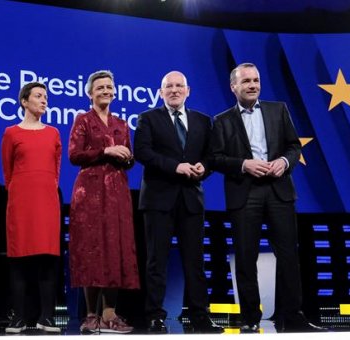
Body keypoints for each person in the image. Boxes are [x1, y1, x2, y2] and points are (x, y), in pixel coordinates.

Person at [209, 63, 325, 333]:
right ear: (233, 87)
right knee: (246, 257)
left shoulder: (278, 109)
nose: (252, 85)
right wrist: (243, 164)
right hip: (244, 191)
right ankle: (250, 318)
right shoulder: (222, 120)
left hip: (278, 190)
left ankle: (292, 317)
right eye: (246, 81)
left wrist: (284, 161)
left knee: (287, 256)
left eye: (256, 80)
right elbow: (215, 158)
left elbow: (294, 146)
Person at [134, 71, 223, 334]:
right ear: (161, 93)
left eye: (179, 86)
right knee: (156, 262)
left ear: (188, 91)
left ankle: (200, 316)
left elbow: (212, 156)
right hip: (158, 200)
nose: (174, 90)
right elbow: (143, 152)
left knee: (195, 262)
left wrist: (202, 167)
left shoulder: (202, 121)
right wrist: (177, 167)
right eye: (168, 87)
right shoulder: (148, 118)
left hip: (191, 200)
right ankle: (154, 316)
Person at [68, 70, 139, 334]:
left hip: (117, 192)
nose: (106, 91)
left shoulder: (122, 124)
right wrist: (105, 151)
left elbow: (130, 159)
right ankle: (90, 315)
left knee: (115, 248)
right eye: (100, 88)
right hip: (89, 192)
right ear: (90, 93)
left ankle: (110, 314)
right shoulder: (82, 120)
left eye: (109, 87)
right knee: (90, 249)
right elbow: (74, 155)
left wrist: (126, 158)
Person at [1, 82, 62, 334]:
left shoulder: (53, 133)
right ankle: (18, 317)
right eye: (38, 96)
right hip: (21, 202)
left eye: (45, 96)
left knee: (47, 259)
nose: (44, 100)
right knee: (19, 259)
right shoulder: (11, 133)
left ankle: (46, 317)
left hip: (47, 201)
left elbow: (56, 169)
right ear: (24, 101)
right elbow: (7, 171)